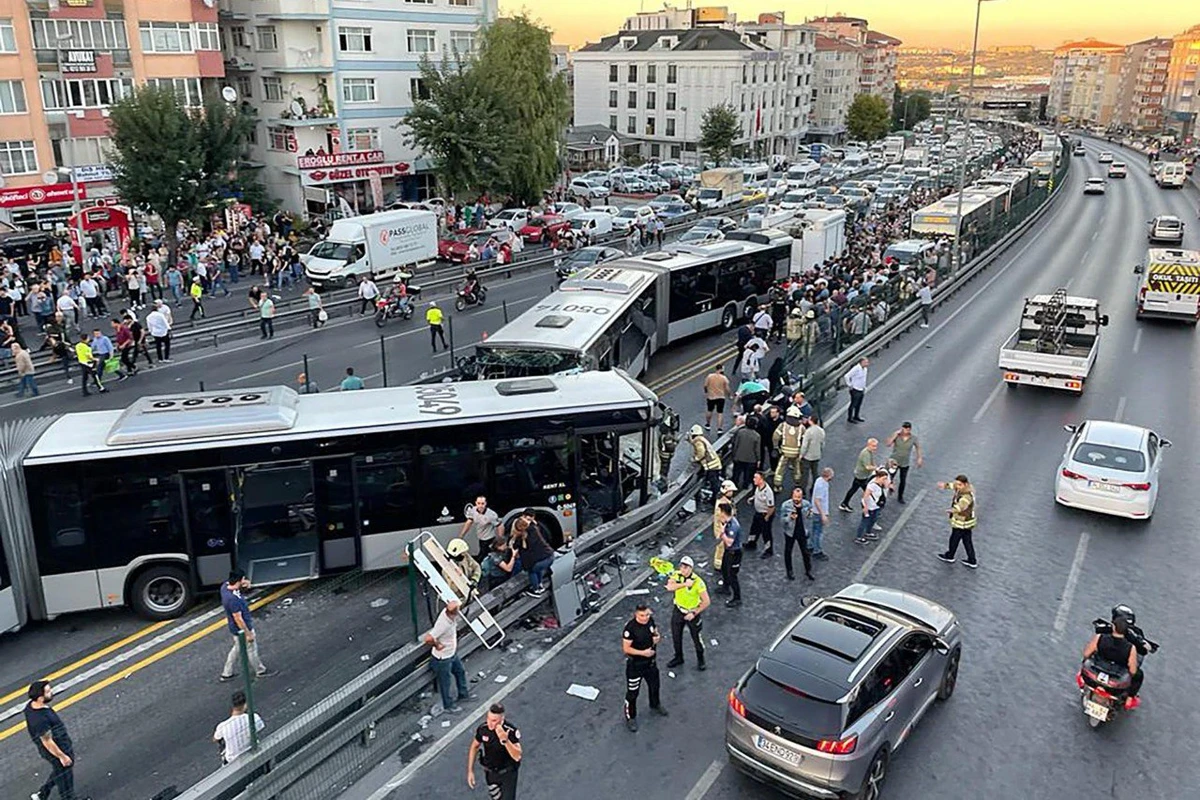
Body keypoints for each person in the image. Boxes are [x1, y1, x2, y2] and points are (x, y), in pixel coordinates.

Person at [25, 679, 90, 800]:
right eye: (48, 692)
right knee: (65, 778)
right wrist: (62, 756)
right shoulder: (39, 720)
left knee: (60, 771)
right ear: (40, 697)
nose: (51, 693)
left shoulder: (31, 706)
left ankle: (42, 794)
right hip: (57, 749)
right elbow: (47, 742)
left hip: (60, 744)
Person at [219, 570, 276, 682]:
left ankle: (227, 672)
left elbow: (235, 587)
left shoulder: (225, 587)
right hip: (241, 629)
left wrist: (244, 586)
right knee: (251, 649)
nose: (245, 581)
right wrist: (248, 633)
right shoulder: (233, 600)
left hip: (234, 629)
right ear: (239, 581)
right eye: (243, 579)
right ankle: (260, 670)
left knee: (237, 648)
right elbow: (238, 618)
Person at [622, 603, 668, 731]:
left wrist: (657, 637)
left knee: (655, 686)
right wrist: (643, 653)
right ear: (636, 614)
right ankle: (630, 716)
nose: (645, 618)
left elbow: (655, 631)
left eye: (647, 614)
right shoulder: (630, 629)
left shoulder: (650, 621)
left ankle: (655, 704)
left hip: (650, 664)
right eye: (642, 615)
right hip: (635, 666)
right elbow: (626, 648)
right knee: (632, 693)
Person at [424, 600, 474, 713]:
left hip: (451, 653)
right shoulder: (443, 624)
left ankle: (463, 694)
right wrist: (437, 645)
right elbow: (428, 638)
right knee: (445, 683)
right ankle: (448, 705)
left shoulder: (449, 615)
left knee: (460, 671)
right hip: (443, 658)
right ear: (454, 613)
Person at [467, 704, 522, 800]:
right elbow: (474, 746)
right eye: (488, 719)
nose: (490, 723)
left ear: (502, 719)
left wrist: (505, 741)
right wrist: (470, 771)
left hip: (507, 773)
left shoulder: (510, 731)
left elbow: (517, 756)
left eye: (494, 721)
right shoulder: (483, 729)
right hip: (491, 773)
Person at [665, 555, 710, 669]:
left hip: (692, 612)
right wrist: (684, 584)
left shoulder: (698, 582)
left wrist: (694, 613)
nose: (683, 570)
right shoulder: (676, 575)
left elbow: (706, 601)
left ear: (691, 568)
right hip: (679, 610)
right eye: (682, 567)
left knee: (696, 637)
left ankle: (701, 659)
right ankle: (678, 657)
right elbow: (669, 587)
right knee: (676, 635)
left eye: (686, 567)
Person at [936, 474, 978, 569]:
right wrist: (945, 485)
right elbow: (953, 485)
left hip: (962, 522)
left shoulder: (966, 496)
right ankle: (972, 560)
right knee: (967, 541)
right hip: (968, 522)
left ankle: (950, 555)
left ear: (965, 484)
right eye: (956, 484)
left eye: (959, 484)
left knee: (954, 539)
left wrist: (953, 510)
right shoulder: (962, 489)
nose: (956, 486)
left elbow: (962, 505)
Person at [213, 690, 265, 765]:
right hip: (252, 755)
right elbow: (260, 727)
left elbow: (215, 739)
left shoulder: (223, 726)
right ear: (245, 704)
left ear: (232, 705)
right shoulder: (254, 717)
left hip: (232, 761)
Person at [511, 516, 554, 597]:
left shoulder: (520, 539)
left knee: (532, 571)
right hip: (549, 556)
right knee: (539, 569)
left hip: (538, 561)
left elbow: (515, 546)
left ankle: (536, 590)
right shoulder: (534, 529)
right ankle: (540, 584)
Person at [780, 486, 814, 581]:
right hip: (790, 532)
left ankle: (808, 570)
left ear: (802, 497)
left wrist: (809, 514)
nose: (796, 499)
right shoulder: (786, 506)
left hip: (802, 531)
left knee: (805, 552)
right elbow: (782, 521)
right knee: (788, 552)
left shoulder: (807, 504)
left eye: (798, 497)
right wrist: (790, 518)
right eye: (795, 497)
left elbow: (810, 515)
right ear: (792, 496)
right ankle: (789, 571)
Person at [884, 422, 923, 504]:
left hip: (905, 462)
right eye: (905, 429)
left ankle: (900, 496)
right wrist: (894, 434)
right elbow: (888, 444)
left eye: (908, 429)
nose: (906, 430)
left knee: (903, 480)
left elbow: (918, 447)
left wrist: (919, 458)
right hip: (894, 461)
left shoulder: (913, 438)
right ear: (902, 428)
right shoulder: (897, 436)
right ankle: (884, 494)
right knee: (888, 478)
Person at [839, 438, 879, 512]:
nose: (875, 448)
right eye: (873, 446)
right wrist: (876, 468)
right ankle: (869, 507)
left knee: (854, 489)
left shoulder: (869, 452)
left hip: (862, 475)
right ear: (868, 445)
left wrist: (874, 466)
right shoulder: (865, 454)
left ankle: (844, 503)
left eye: (876, 446)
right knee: (868, 491)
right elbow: (867, 467)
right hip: (861, 476)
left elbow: (871, 462)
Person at [772, 406, 805, 492]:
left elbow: (775, 437)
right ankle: (797, 483)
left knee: (780, 469)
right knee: (797, 468)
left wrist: (776, 447)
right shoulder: (801, 427)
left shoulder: (783, 425)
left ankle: (777, 485)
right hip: (796, 452)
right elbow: (804, 440)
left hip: (784, 452)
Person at [461, 495, 502, 562]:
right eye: (479, 503)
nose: (480, 506)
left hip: (489, 538)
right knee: (484, 554)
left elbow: (500, 526)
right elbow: (469, 522)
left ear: (485, 504)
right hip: (481, 538)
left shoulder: (491, 515)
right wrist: (462, 535)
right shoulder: (473, 511)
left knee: (484, 555)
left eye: (482, 503)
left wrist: (500, 539)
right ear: (475, 503)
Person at [718, 502, 744, 607]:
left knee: (733, 575)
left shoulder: (733, 526)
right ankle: (725, 587)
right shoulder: (727, 522)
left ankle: (737, 598)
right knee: (724, 569)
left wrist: (722, 533)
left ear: (724, 513)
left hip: (735, 553)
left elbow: (729, 542)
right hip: (728, 551)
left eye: (720, 512)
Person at [687, 424, 722, 500]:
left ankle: (716, 499)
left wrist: (695, 459)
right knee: (715, 482)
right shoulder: (701, 439)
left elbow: (701, 453)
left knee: (714, 484)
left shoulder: (698, 441)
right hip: (715, 464)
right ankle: (715, 498)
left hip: (711, 466)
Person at [746, 471, 776, 556]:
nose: (753, 479)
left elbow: (771, 507)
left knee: (766, 533)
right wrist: (752, 498)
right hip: (758, 512)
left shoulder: (768, 492)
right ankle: (751, 543)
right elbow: (757, 494)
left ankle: (769, 550)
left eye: (756, 478)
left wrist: (767, 516)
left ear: (761, 480)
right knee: (754, 529)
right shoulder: (758, 487)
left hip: (765, 514)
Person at [855, 469, 887, 545]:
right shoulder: (872, 485)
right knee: (864, 522)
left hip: (876, 506)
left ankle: (868, 532)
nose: (884, 480)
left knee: (873, 520)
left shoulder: (880, 484)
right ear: (878, 477)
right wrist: (865, 507)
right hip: (869, 507)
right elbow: (865, 496)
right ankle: (859, 537)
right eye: (884, 479)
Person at [729, 416, 761, 490]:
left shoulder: (740, 432)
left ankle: (734, 484)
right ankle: (745, 485)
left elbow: (735, 444)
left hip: (739, 456)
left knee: (736, 472)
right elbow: (757, 449)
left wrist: (734, 454)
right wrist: (758, 459)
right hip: (750, 459)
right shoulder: (757, 436)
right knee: (748, 474)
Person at [810, 467, 832, 561]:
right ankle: (817, 550)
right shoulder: (822, 485)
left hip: (815, 511)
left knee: (814, 530)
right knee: (818, 532)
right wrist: (823, 514)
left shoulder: (819, 480)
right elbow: (817, 500)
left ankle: (811, 545)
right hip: (819, 512)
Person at [702, 363, 731, 433]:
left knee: (709, 411)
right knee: (720, 413)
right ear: (721, 369)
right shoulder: (724, 378)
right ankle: (719, 429)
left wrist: (706, 392)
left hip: (711, 397)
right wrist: (729, 395)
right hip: (720, 397)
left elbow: (705, 385)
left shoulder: (710, 376)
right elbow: (727, 388)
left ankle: (708, 424)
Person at [845, 356, 869, 423]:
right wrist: (850, 385)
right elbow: (847, 376)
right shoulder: (856, 368)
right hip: (855, 389)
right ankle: (850, 418)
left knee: (859, 404)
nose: (867, 364)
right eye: (866, 362)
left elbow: (863, 379)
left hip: (861, 389)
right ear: (861, 362)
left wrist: (864, 387)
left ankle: (856, 416)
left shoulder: (865, 369)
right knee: (853, 404)